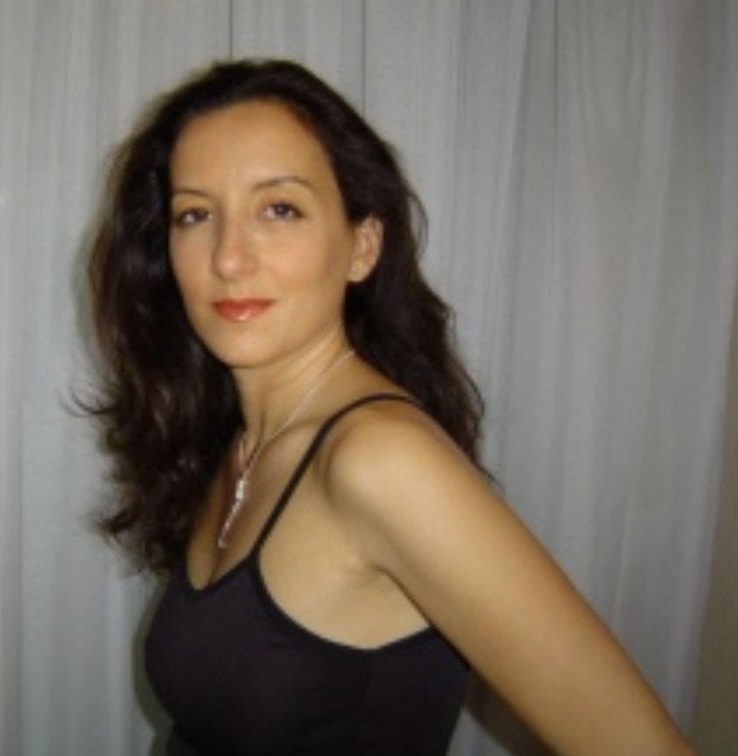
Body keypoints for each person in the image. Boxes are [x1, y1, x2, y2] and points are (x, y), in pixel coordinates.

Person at [86, 58, 692, 755]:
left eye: (279, 209)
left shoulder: (380, 459)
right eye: (195, 215)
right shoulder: (244, 442)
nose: (229, 257)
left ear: (362, 246)